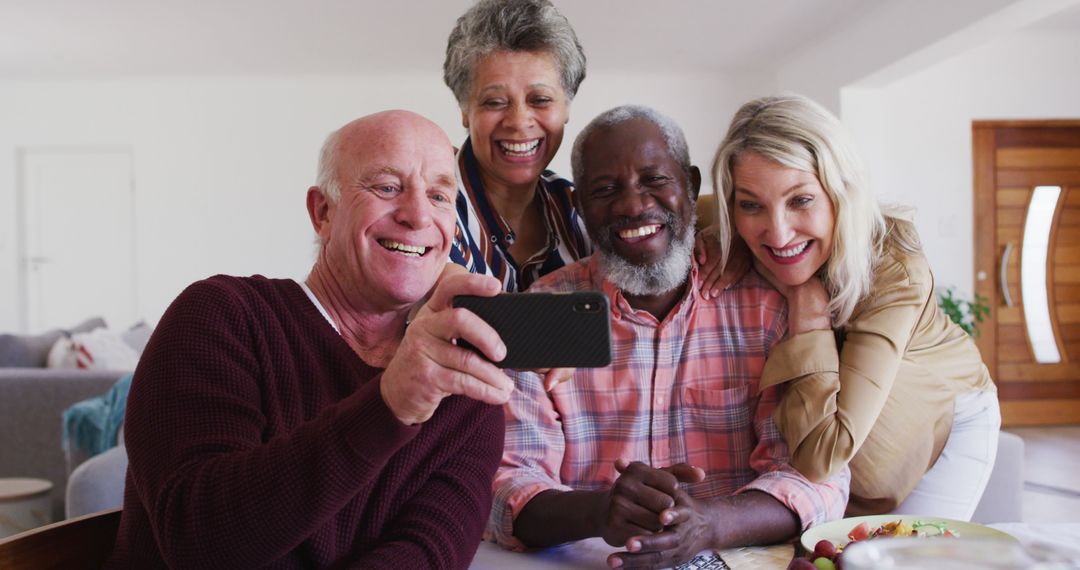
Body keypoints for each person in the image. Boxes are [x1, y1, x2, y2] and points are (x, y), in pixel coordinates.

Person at [106, 111, 514, 569]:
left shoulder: (461, 379)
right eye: (386, 187)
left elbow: (430, 552)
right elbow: (199, 542)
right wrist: (391, 404)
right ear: (322, 212)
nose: (418, 214)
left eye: (439, 196)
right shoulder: (222, 316)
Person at [488, 105, 849, 569]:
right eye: (605, 189)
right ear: (581, 207)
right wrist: (599, 511)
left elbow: (817, 479)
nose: (633, 205)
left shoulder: (768, 309)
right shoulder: (542, 310)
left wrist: (710, 522)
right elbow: (506, 485)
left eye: (654, 180)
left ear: (691, 186)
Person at [707, 93, 999, 518]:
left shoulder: (895, 273)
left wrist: (805, 305)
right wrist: (728, 240)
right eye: (752, 205)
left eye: (800, 200)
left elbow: (821, 456)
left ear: (841, 190)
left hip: (949, 419)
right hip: (839, 424)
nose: (779, 232)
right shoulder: (735, 221)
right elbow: (673, 208)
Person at [443, 0, 591, 292]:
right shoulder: (428, 209)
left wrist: (708, 241)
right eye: (495, 102)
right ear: (464, 110)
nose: (519, 121)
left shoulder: (583, 210)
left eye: (540, 100)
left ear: (567, 107)